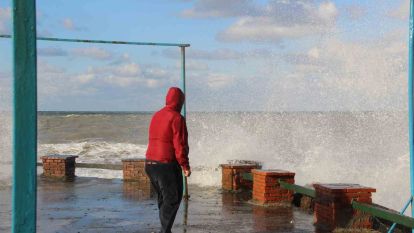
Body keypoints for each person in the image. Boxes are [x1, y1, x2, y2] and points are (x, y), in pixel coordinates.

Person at [145, 87, 191, 233]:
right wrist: (185, 165)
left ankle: (166, 229)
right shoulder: (177, 118)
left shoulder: (156, 115)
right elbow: (180, 145)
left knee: (163, 199)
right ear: (180, 102)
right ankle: (164, 231)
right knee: (173, 198)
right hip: (166, 165)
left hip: (150, 164)